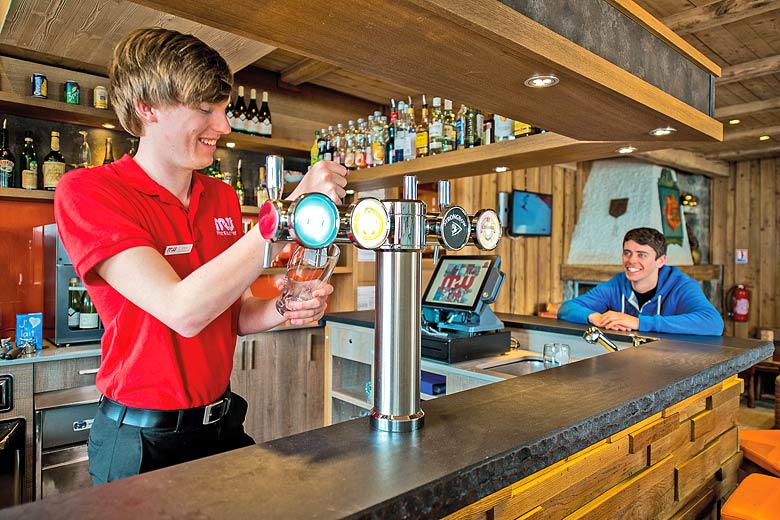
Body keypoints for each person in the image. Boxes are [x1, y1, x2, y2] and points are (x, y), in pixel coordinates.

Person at [53, 28, 349, 484]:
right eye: (205, 110)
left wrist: (285, 306)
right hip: (141, 441)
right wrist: (283, 215)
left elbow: (231, 315)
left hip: (221, 426)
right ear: (146, 109)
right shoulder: (90, 191)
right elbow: (183, 310)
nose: (224, 126)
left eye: (224, 109)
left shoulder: (221, 197)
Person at [557, 227, 723, 335]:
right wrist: (596, 318)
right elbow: (566, 309)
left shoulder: (682, 286)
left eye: (642, 255)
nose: (631, 261)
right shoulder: (617, 284)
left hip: (671, 365)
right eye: (627, 253)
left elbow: (713, 323)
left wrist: (638, 322)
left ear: (661, 260)